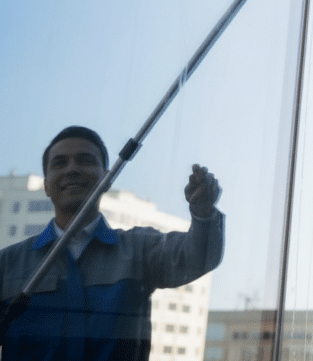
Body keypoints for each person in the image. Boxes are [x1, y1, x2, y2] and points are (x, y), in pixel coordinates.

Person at [0, 125, 225, 360]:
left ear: (107, 179)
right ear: (46, 185)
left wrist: (203, 211)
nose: (72, 169)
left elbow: (198, 256)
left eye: (85, 160)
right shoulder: (7, 264)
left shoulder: (140, 249)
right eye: (59, 163)